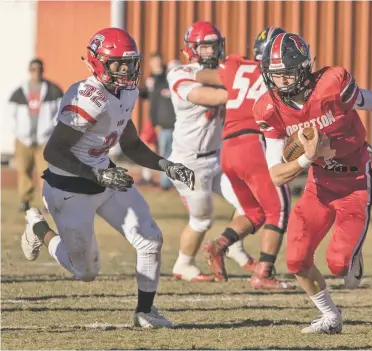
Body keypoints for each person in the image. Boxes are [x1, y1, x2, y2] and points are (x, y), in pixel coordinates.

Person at [20, 28, 195, 329]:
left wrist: (167, 165)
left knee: (150, 238)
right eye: (118, 64)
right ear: (99, 62)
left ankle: (145, 311)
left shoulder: (126, 91)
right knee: (85, 272)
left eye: (130, 63)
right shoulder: (88, 96)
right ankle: (39, 229)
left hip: (106, 177)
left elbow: (131, 145)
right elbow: (53, 151)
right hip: (69, 186)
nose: (126, 70)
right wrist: (96, 173)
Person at [253, 33, 372, 333]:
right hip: (318, 185)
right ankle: (330, 316)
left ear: (305, 68)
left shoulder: (333, 86)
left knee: (338, 265)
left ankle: (353, 254)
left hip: (355, 183)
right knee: (295, 260)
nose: (281, 81)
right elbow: (276, 174)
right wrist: (307, 158)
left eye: (287, 73)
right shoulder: (269, 108)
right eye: (275, 74)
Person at [194, 27, 294, 290]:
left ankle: (219, 245)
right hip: (255, 143)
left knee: (255, 212)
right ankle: (263, 273)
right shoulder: (279, 73)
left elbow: (202, 74)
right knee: (279, 210)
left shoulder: (235, 66)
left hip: (228, 148)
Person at [167, 21, 256, 282]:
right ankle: (183, 265)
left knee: (250, 204)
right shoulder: (180, 72)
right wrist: (246, 89)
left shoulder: (225, 69)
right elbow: (208, 96)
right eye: (204, 46)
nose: (210, 51)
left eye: (214, 45)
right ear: (191, 50)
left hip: (217, 155)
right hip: (189, 163)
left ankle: (233, 243)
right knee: (202, 218)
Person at [7, 58, 63, 211]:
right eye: (33, 69)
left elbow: (60, 113)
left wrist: (50, 130)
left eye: (38, 69)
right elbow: (11, 114)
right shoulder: (20, 92)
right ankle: (25, 201)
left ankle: (48, 202)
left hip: (44, 140)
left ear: (42, 71)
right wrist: (18, 132)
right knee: (23, 170)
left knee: (46, 172)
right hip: (23, 140)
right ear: (29, 71)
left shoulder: (53, 91)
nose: (36, 72)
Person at [139, 54, 181, 189]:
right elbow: (151, 98)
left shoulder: (170, 83)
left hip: (173, 124)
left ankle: (167, 181)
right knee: (152, 146)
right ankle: (151, 177)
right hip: (159, 121)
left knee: (170, 152)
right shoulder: (157, 81)